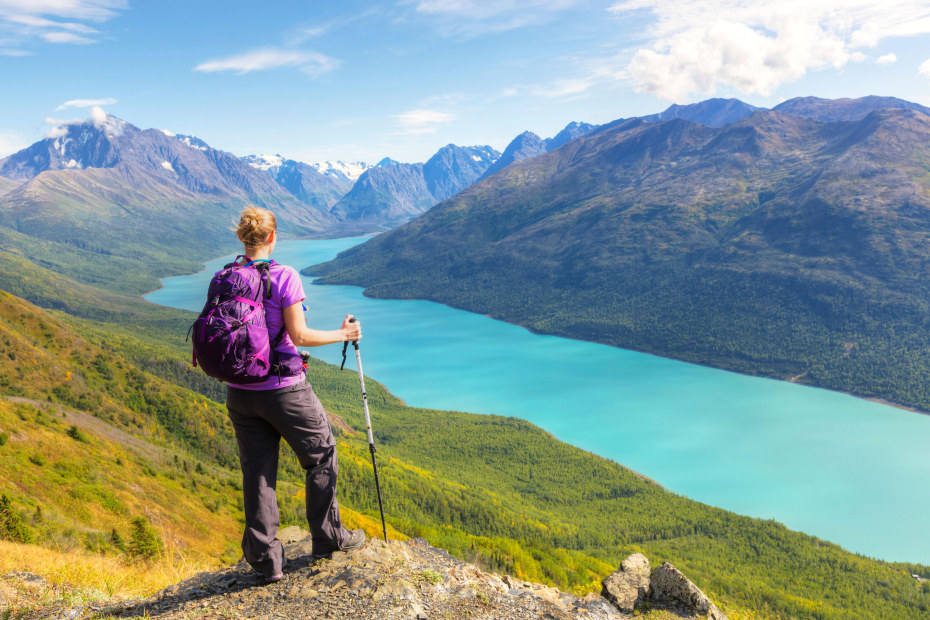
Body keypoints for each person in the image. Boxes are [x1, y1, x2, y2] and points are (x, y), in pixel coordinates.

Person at [225, 205, 365, 584]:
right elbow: (300, 336)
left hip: (238, 391)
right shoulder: (285, 276)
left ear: (241, 237)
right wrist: (345, 335)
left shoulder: (225, 276)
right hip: (283, 389)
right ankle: (328, 539)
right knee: (321, 456)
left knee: (257, 473)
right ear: (273, 238)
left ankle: (265, 562)